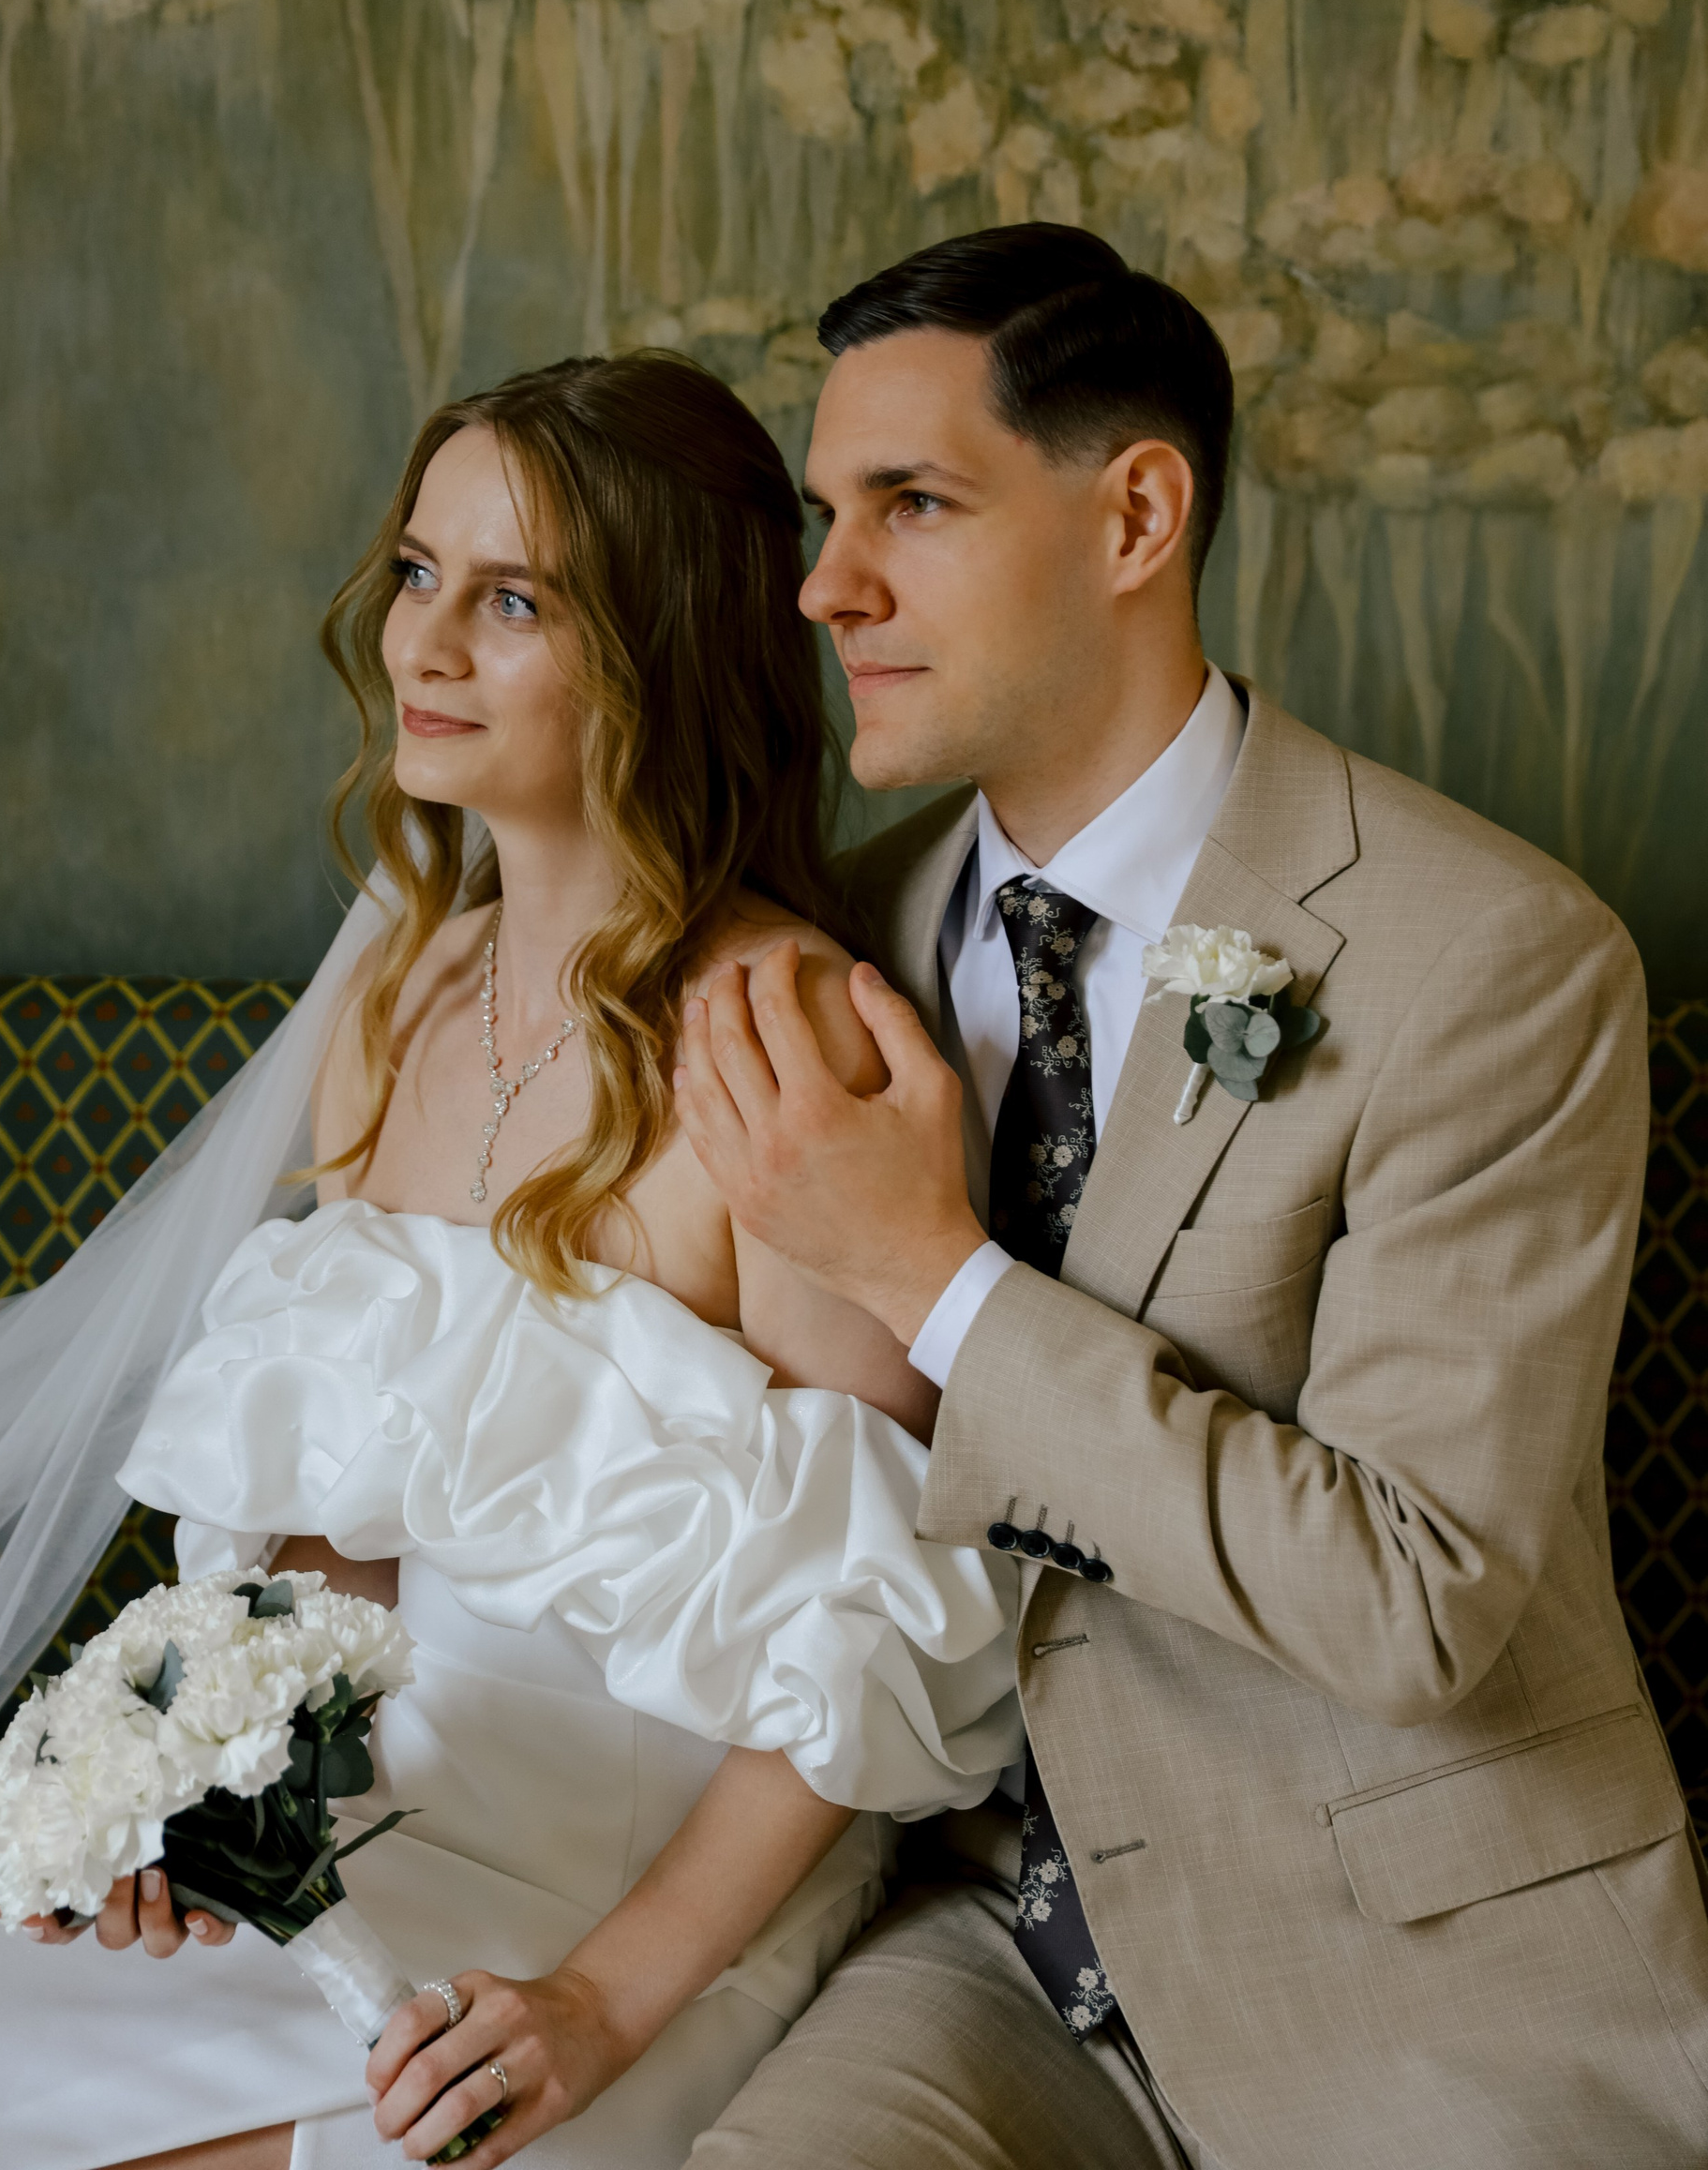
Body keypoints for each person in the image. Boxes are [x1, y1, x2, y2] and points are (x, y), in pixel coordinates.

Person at [0, 352, 1023, 2170]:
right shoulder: (405, 999)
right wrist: (207, 1787)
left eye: (513, 602)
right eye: (420, 573)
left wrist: (598, 2004)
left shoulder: (786, 1034)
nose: (422, 645)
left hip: (642, 1911)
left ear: (662, 651)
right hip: (380, 1845)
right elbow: (344, 1521)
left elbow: (871, 1629)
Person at [674, 223, 1708, 2170]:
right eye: (827, 514)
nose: (827, 585)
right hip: (987, 1945)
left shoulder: (1493, 958)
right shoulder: (837, 947)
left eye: (912, 504)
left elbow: (1414, 1599)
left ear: (1137, 515)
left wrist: (936, 1280)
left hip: (1414, 1976)